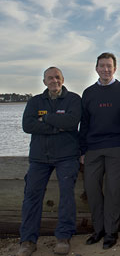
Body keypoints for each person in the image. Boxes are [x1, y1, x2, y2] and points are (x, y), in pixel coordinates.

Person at [17, 67, 81, 256]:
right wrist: (56, 127)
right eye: (50, 78)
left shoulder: (73, 100)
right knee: (31, 197)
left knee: (67, 195)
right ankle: (28, 240)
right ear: (44, 81)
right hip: (39, 158)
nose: (54, 81)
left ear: (62, 79)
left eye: (57, 77)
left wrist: (45, 118)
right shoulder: (35, 101)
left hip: (67, 156)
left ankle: (63, 237)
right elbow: (27, 125)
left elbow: (71, 122)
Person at [79, 53, 120, 249]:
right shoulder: (88, 93)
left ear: (115, 69)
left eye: (109, 66)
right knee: (92, 190)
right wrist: (82, 150)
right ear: (96, 68)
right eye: (102, 66)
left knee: (113, 190)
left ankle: (111, 232)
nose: (106, 69)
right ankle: (98, 229)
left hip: (118, 146)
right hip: (92, 148)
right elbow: (83, 124)